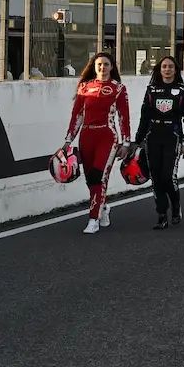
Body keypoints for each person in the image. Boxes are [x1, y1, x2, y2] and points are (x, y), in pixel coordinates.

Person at [64, 52, 131, 234]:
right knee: (90, 180)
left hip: (107, 137)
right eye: (99, 64)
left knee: (99, 177)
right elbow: (76, 116)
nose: (102, 68)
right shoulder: (84, 87)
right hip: (86, 137)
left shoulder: (119, 88)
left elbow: (124, 117)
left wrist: (126, 143)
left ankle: (93, 218)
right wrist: (68, 140)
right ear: (94, 66)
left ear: (112, 67)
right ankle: (104, 207)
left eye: (106, 64)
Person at [135, 56, 184, 230]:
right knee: (155, 178)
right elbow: (144, 116)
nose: (167, 69)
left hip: (173, 136)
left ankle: (176, 206)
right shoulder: (151, 90)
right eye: (164, 67)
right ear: (159, 70)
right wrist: (138, 140)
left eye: (170, 67)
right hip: (153, 136)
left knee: (167, 177)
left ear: (176, 70)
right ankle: (162, 215)